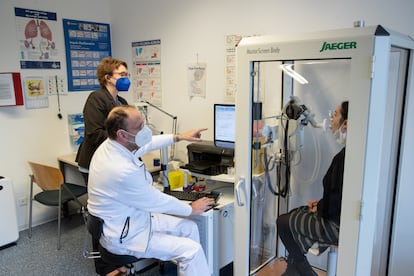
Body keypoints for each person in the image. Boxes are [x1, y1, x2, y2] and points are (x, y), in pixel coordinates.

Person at [87, 105, 215, 276]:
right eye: (139, 126)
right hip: (125, 235)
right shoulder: (120, 168)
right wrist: (190, 208)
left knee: (190, 228)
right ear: (122, 134)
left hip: (131, 219)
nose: (145, 130)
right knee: (191, 251)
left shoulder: (114, 145)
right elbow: (155, 200)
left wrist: (179, 137)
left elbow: (148, 144)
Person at [276, 101, 348, 276]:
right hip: (337, 216)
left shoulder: (344, 158)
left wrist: (321, 207)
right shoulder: (349, 153)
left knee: (283, 222)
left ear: (345, 124)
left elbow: (337, 201)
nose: (331, 118)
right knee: (297, 212)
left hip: (336, 226)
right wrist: (321, 204)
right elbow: (339, 196)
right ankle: (294, 268)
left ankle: (302, 268)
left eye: (336, 114)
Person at [76, 57, 130, 185]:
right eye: (122, 75)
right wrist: (124, 139)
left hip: (114, 161)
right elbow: (95, 133)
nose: (126, 79)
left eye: (127, 75)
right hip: (95, 161)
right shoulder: (96, 98)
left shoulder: (122, 102)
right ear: (108, 77)